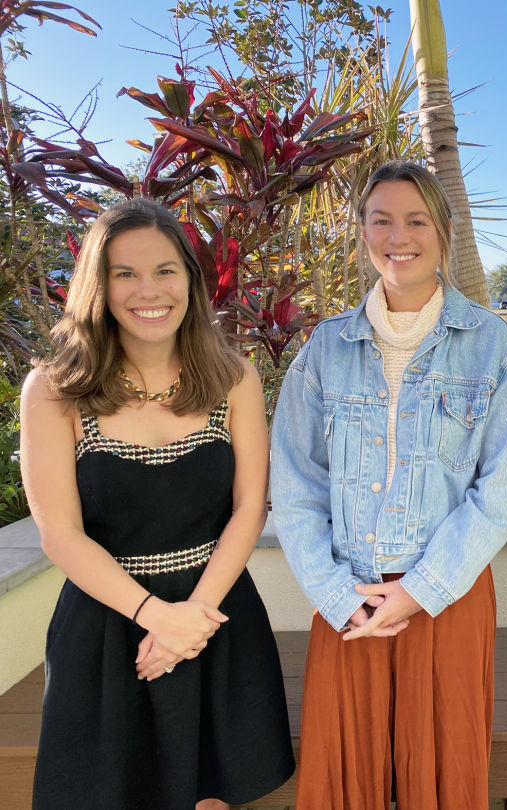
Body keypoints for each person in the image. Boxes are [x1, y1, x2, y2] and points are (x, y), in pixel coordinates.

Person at [270, 160, 507, 810]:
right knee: (343, 784)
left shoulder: (491, 346)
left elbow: (501, 490)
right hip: (349, 599)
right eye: (381, 219)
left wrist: (419, 592)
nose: (399, 235)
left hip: (449, 595)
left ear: (442, 231)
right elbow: (297, 484)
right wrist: (336, 595)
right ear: (362, 232)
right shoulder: (325, 350)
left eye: (416, 220)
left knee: (441, 780)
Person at [20, 198, 295, 810]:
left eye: (166, 270)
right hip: (105, 628)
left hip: (214, 617)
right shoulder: (55, 390)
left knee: (211, 796)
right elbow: (60, 535)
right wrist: (156, 617)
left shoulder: (233, 377)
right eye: (125, 273)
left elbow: (250, 507)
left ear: (191, 282)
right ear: (99, 284)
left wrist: (188, 621)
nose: (150, 290)